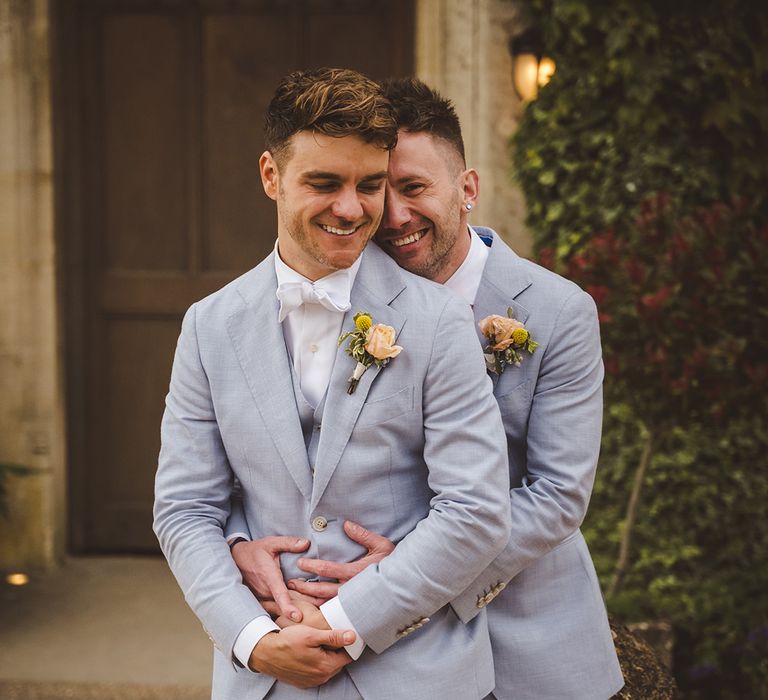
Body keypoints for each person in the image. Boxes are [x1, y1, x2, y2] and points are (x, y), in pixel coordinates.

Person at [227, 77, 625, 699]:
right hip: (392, 654)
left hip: (526, 628)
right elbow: (278, 446)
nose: (394, 216)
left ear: (467, 189)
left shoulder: (558, 310)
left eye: (414, 189)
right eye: (385, 190)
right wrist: (239, 537)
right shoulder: (335, 297)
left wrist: (410, 566)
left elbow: (557, 492)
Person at [153, 68, 512, 700]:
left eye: (369, 185)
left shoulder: (438, 321)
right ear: (271, 175)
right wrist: (250, 640)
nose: (352, 209)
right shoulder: (209, 325)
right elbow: (185, 508)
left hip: (417, 672)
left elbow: (476, 510)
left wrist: (345, 621)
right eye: (324, 183)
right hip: (265, 677)